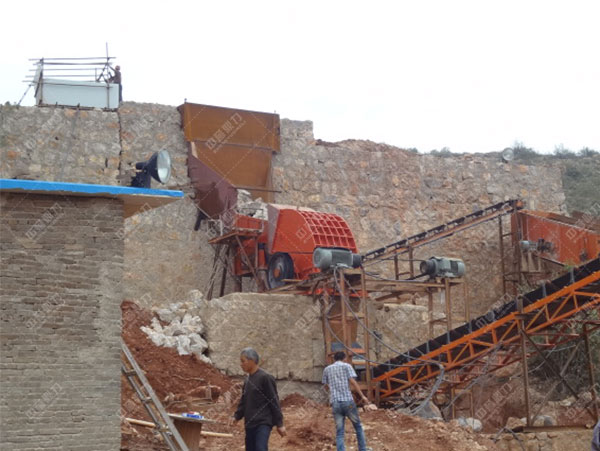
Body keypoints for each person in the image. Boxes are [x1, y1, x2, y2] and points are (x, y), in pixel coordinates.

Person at [234, 348, 286, 451]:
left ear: (252, 361)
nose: (241, 364)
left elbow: (274, 401)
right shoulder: (247, 380)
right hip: (249, 423)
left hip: (263, 423)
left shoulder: (265, 378)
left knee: (260, 448)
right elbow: (243, 402)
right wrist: (236, 416)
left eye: (243, 361)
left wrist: (279, 424)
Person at [322, 351, 370, 451]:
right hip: (348, 402)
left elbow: (325, 385)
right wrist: (362, 396)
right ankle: (362, 449)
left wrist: (333, 390)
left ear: (334, 359)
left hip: (335, 403)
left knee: (339, 432)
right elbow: (353, 382)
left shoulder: (327, 369)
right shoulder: (347, 366)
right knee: (358, 427)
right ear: (344, 358)